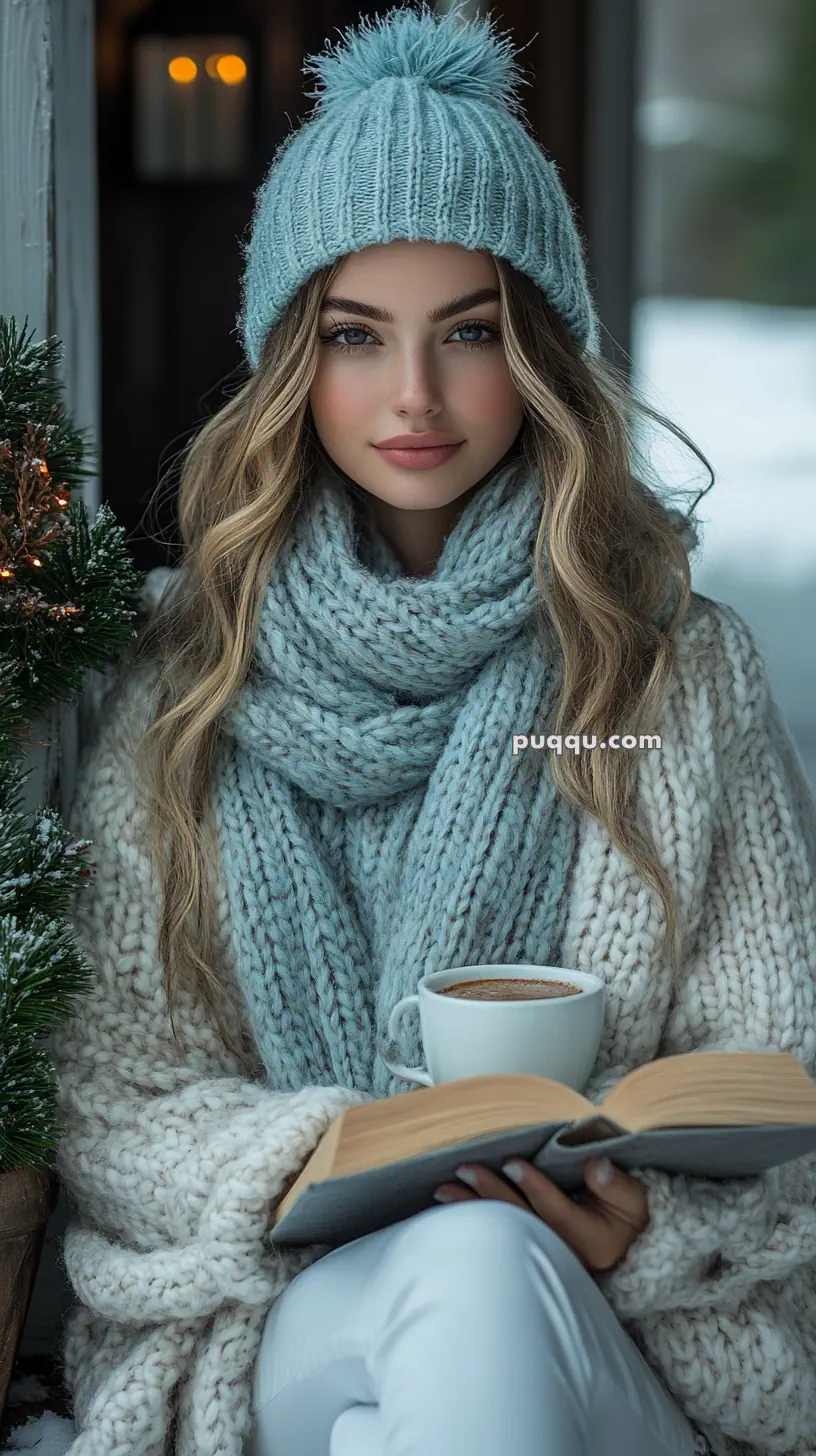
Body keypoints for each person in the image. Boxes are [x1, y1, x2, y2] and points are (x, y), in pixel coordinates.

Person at [49, 5, 816, 1456]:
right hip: (303, 1318)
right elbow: (115, 1092)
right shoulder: (190, 681)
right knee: (459, 1276)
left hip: (621, 1334)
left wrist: (643, 1224)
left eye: (468, 332)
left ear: (540, 355)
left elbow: (775, 1078)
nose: (414, 395)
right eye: (357, 337)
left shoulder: (669, 684)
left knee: (481, 1281)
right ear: (294, 359)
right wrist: (331, 1159)